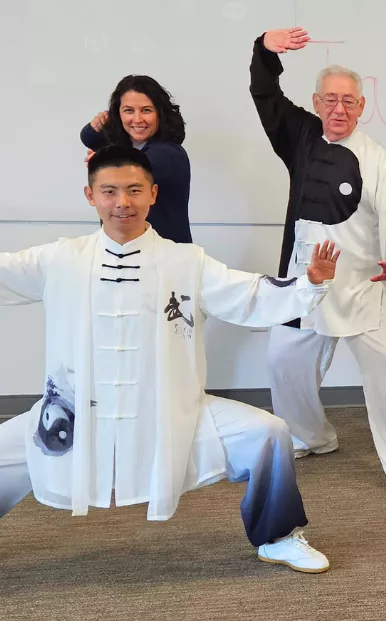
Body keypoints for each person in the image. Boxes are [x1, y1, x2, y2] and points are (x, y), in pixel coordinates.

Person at [0, 146, 340, 573]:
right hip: (75, 414)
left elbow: (248, 293)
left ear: (153, 194)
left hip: (170, 414)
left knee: (269, 433)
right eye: (109, 191)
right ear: (90, 196)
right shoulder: (58, 259)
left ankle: (278, 536)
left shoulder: (186, 261)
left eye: (133, 190)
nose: (121, 202)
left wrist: (307, 286)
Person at [250, 27, 386, 500]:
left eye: (349, 101)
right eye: (330, 100)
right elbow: (265, 94)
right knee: (283, 358)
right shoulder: (300, 138)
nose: (339, 109)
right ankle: (311, 436)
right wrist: (264, 49)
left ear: (362, 107)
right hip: (303, 281)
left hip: (363, 283)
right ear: (315, 102)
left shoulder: (378, 161)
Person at [81, 75, 193, 243]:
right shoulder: (127, 146)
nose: (137, 119)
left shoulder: (168, 153)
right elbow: (88, 137)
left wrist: (103, 161)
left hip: (166, 254)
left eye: (146, 110)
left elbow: (130, 172)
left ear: (160, 114)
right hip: (127, 250)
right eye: (128, 110)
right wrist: (100, 122)